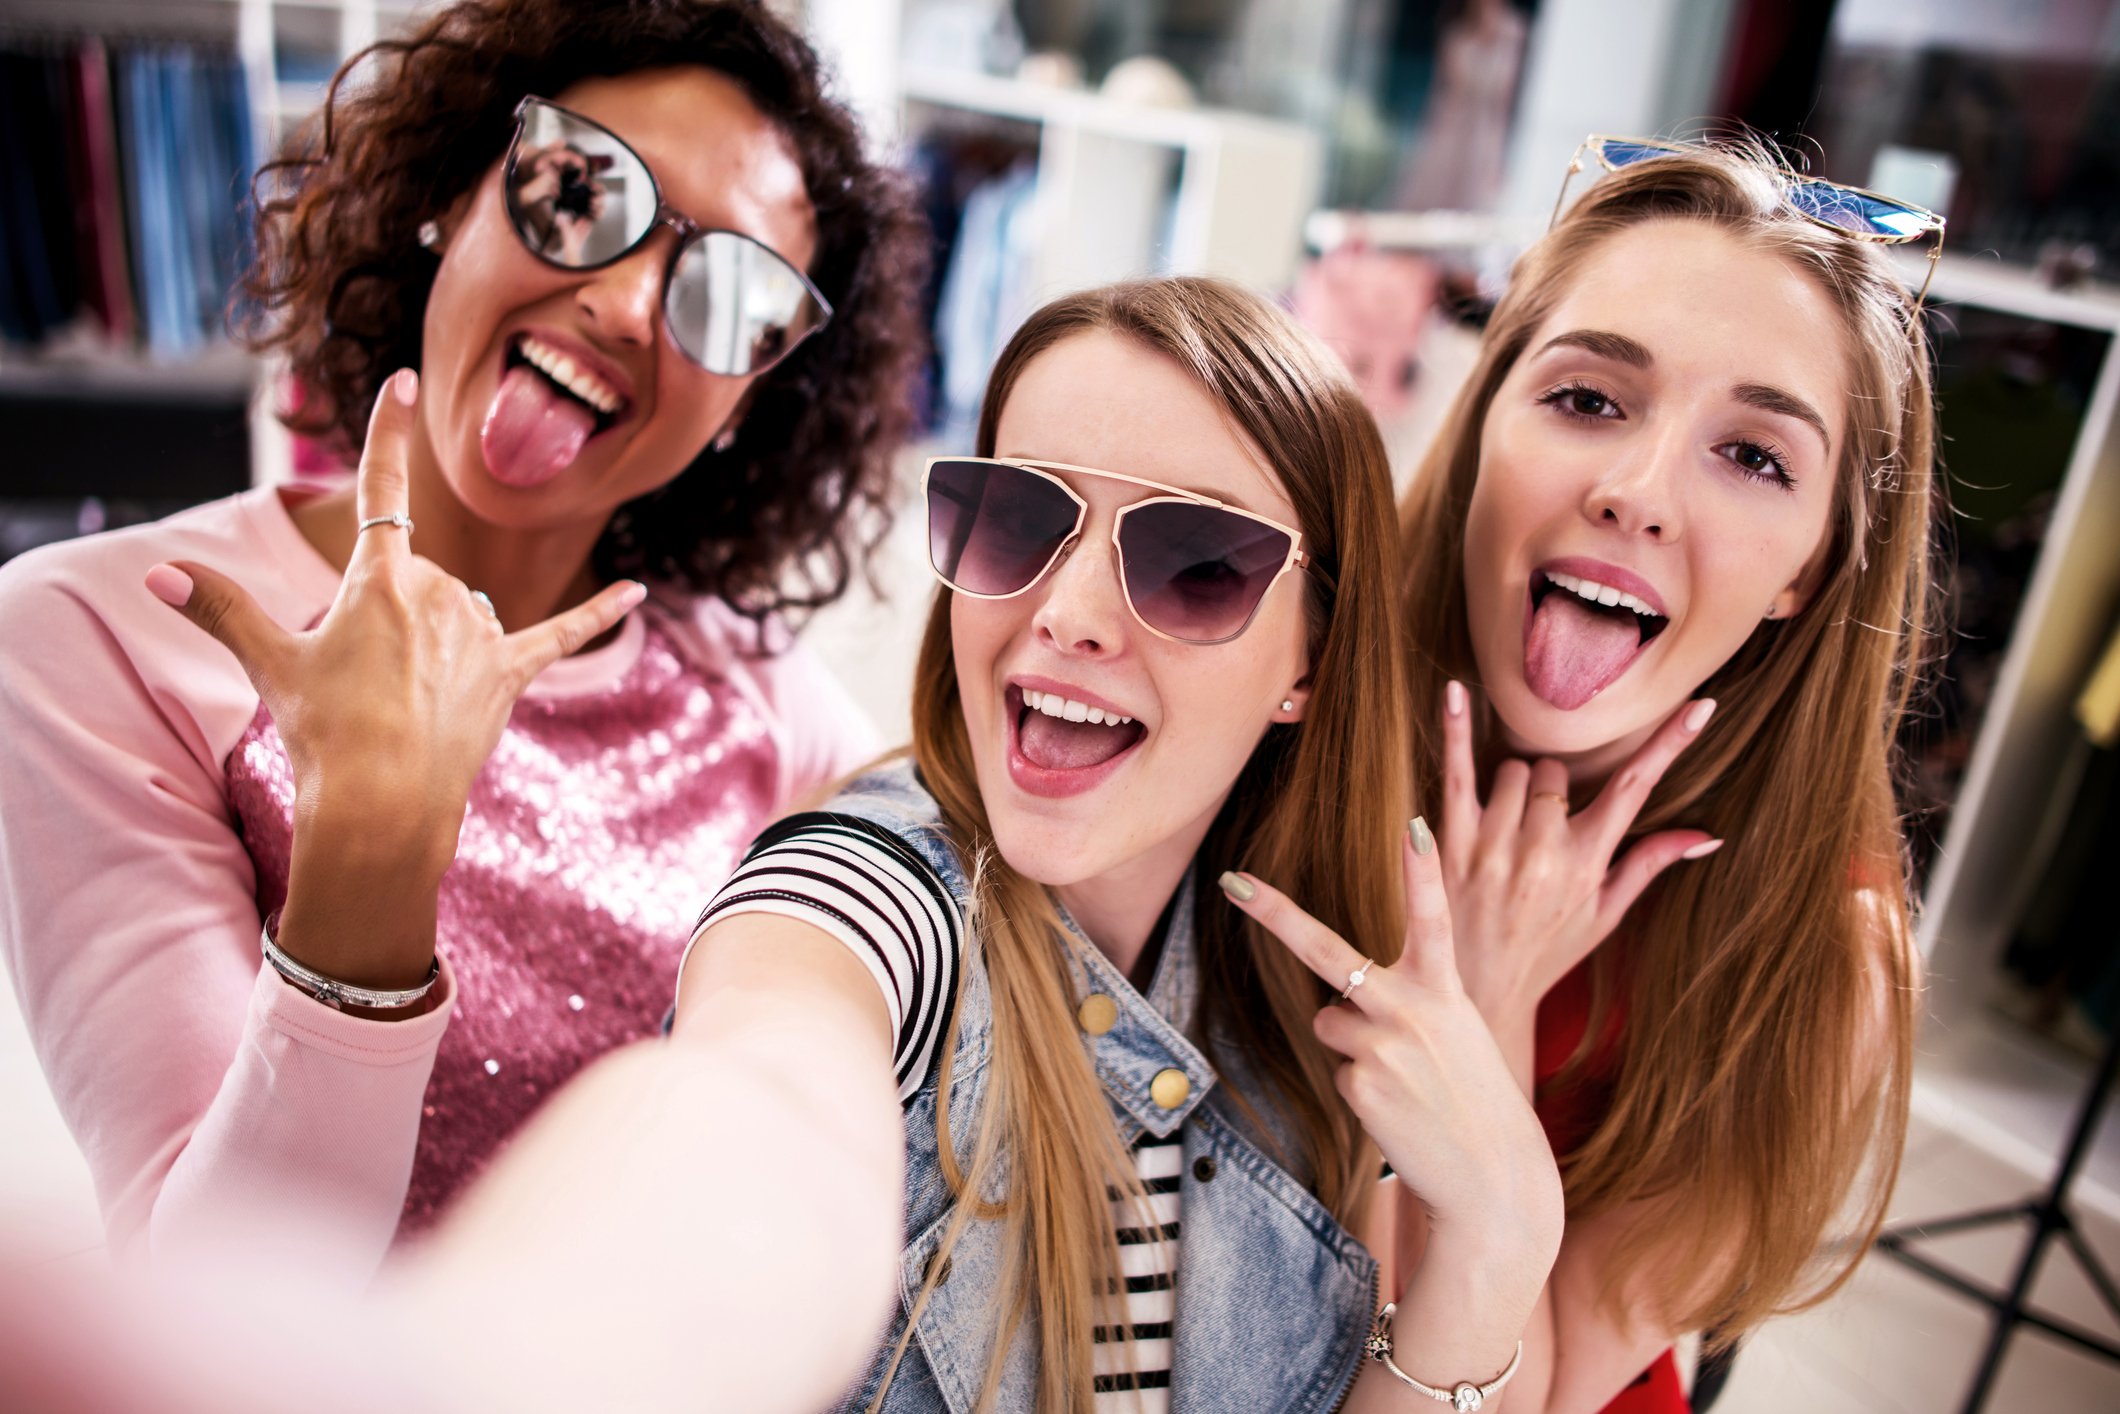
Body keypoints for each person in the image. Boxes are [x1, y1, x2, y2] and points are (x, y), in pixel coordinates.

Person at [0, 0, 925, 1274]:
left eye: (730, 295)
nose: (624, 302)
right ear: (455, 196)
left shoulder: (779, 716)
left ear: (743, 403)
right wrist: (361, 887)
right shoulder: (97, 632)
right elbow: (214, 1301)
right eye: (580, 192)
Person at [659, 276, 1563, 1412]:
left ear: (1310, 665)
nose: (1070, 611)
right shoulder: (867, 896)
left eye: (1194, 562)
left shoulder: (1299, 1014)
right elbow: (760, 1060)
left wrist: (1502, 1229)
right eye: (1018, 518)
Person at [1393, 137, 1939, 1410]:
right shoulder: (1284, 698)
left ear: (1808, 566)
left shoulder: (1821, 951)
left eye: (1753, 456)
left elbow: (1521, 1397)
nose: (1636, 494)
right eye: (1587, 399)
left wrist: (1482, 1013)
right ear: (1484, 419)